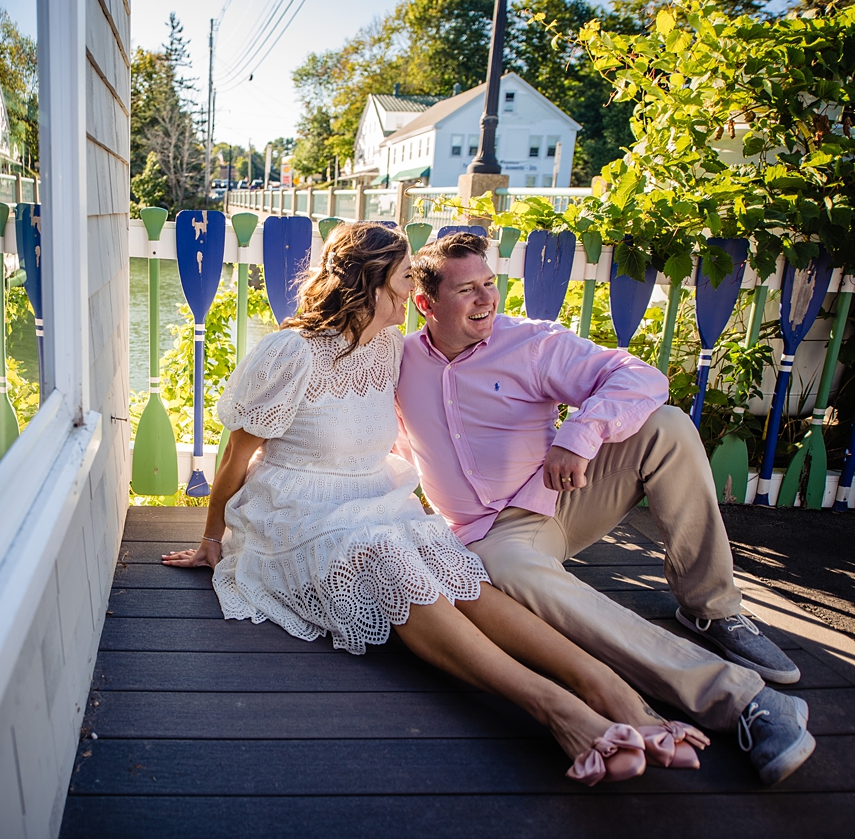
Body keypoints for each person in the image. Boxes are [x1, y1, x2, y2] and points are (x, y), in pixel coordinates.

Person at [165, 222, 709, 786]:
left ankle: (613, 691)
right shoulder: (291, 353)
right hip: (297, 513)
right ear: (369, 283)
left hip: (376, 499)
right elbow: (234, 456)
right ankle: (558, 709)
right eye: (403, 277)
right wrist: (212, 538)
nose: (411, 291)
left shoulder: (388, 351)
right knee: (389, 560)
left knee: (455, 569)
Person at [394, 231, 814, 785]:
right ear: (425, 304)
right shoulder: (398, 364)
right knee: (512, 566)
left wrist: (581, 433)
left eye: (490, 285)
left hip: (560, 493)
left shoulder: (531, 343)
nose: (486, 300)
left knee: (667, 426)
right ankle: (742, 701)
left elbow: (641, 378)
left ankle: (711, 607)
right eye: (467, 290)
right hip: (489, 535)